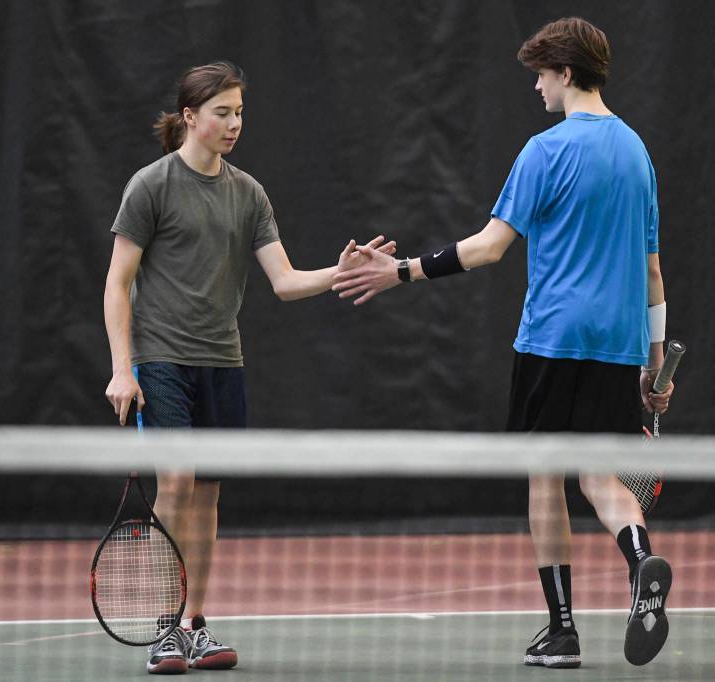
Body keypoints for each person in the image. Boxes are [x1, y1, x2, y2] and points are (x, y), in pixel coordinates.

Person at [331, 18, 675, 670]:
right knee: (600, 476)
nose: (538, 88)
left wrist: (399, 271)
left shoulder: (543, 151)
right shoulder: (638, 153)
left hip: (551, 338)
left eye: (542, 76)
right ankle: (639, 558)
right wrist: (655, 364)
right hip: (621, 343)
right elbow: (654, 271)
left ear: (566, 73)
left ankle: (562, 630)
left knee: (545, 476)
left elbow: (489, 247)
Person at [103, 61, 395, 675]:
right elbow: (117, 282)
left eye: (240, 113)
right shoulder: (150, 186)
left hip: (222, 363)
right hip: (159, 360)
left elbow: (285, 282)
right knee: (176, 485)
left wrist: (341, 271)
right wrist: (121, 369)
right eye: (223, 112)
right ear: (190, 117)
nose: (235, 124)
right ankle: (164, 627)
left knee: (207, 496)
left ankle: (194, 625)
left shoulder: (249, 193)